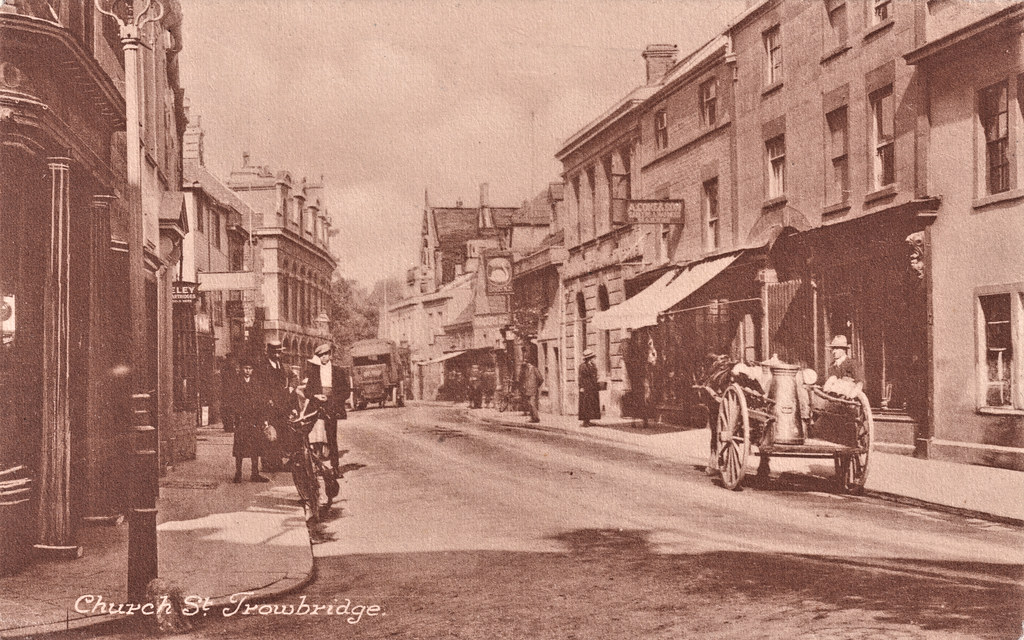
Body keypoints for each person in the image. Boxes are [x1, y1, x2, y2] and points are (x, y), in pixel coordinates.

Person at [304, 344, 349, 477]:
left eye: (326, 354)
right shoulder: (314, 371)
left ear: (330, 355)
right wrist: (316, 396)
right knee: (312, 436)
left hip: (331, 406)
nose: (324, 357)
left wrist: (334, 400)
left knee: (331, 438)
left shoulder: (338, 371)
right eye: (321, 355)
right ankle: (315, 466)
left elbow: (346, 392)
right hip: (317, 406)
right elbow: (307, 391)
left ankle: (335, 467)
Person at [232, 356, 269, 483]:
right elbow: (232, 401)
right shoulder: (236, 382)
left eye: (250, 369)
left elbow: (261, 402)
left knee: (255, 446)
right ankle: (238, 473)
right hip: (241, 419)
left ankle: (255, 473)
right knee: (239, 447)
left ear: (252, 370)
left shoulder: (256, 384)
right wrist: (235, 417)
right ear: (242, 369)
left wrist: (263, 419)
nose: (247, 371)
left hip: (254, 419)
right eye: (245, 368)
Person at [260, 340, 290, 472]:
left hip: (281, 405)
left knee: (280, 433)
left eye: (279, 352)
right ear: (270, 353)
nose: (278, 355)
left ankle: (277, 462)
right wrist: (267, 399)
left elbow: (287, 380)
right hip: (268, 405)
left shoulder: (280, 365)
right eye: (275, 352)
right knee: (268, 433)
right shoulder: (263, 366)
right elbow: (258, 386)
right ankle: (267, 463)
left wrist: (289, 390)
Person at [578, 349, 600, 427]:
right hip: (586, 387)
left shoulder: (593, 366)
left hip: (592, 387)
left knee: (592, 403)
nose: (594, 358)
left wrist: (597, 378)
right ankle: (585, 421)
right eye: (593, 357)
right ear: (589, 358)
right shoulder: (582, 366)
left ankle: (589, 419)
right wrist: (581, 387)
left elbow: (595, 375)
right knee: (585, 404)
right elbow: (580, 378)